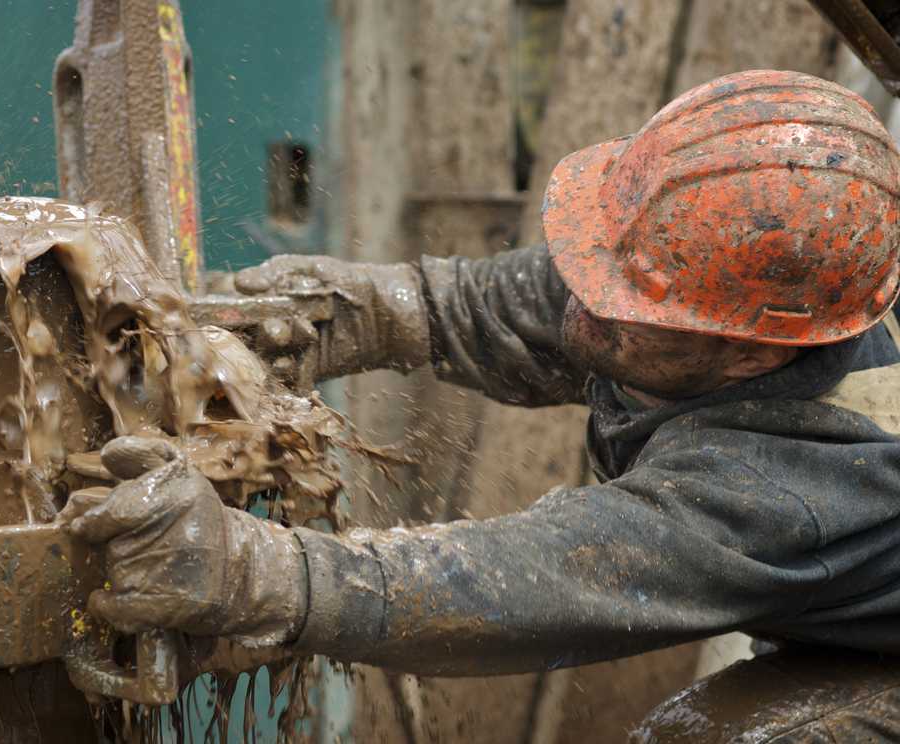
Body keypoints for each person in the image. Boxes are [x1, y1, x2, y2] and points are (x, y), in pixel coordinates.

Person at [71, 69, 900, 741]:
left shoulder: (792, 486)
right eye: (594, 260)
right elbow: (522, 309)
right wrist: (365, 310)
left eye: (618, 295)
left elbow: (536, 582)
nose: (579, 299)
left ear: (754, 351)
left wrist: (255, 570)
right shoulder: (751, 282)